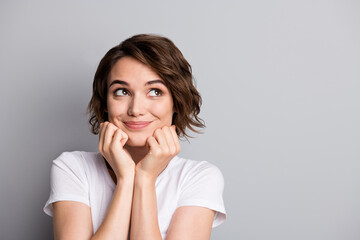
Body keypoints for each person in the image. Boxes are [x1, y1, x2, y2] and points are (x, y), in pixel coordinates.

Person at [43, 34, 226, 240]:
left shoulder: (198, 178)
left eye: (155, 92)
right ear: (105, 103)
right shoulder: (73, 168)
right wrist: (126, 178)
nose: (136, 109)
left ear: (176, 101)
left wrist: (145, 179)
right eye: (122, 91)